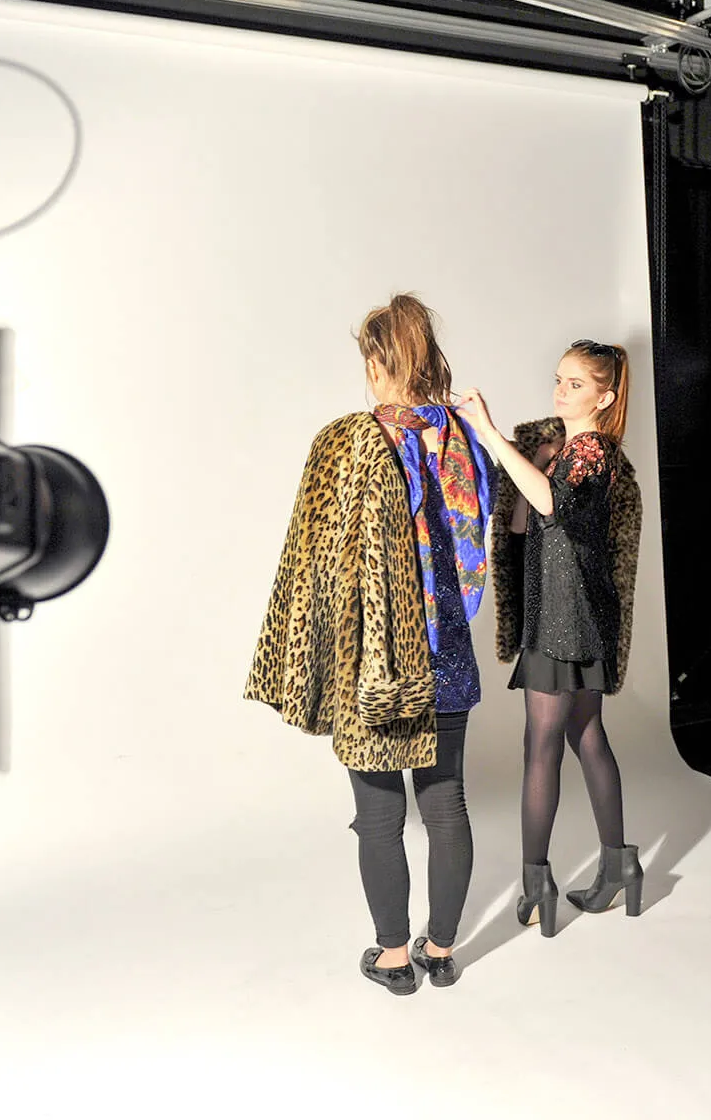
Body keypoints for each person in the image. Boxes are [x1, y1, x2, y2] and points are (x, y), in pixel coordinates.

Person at [245, 293, 491, 996]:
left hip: (378, 660)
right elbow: (481, 536)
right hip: (447, 652)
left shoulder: (347, 440)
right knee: (446, 805)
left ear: (380, 360)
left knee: (380, 814)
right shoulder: (465, 438)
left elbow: (316, 565)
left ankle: (392, 958)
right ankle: (441, 950)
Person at [458, 341, 641, 938]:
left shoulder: (592, 450)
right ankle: (620, 865)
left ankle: (537, 884)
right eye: (559, 379)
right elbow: (521, 521)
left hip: (566, 619)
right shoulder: (565, 450)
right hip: (570, 613)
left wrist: (489, 432)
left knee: (542, 747)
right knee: (586, 736)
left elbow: (551, 505)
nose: (561, 390)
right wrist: (523, 457)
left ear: (605, 397)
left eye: (576, 384)